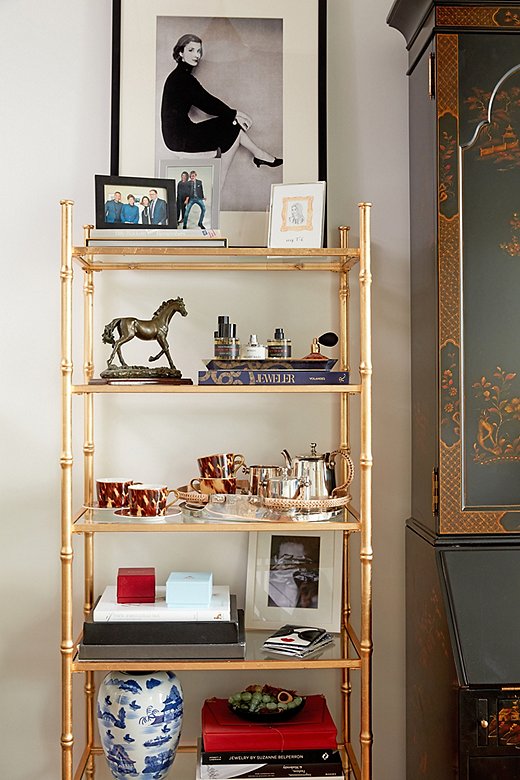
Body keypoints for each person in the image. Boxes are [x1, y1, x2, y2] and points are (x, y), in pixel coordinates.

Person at [161, 33, 282, 185]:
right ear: (181, 52)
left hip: (180, 135)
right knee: (231, 126)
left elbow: (207, 101)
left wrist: (233, 115)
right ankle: (221, 184)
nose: (196, 55)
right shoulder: (182, 79)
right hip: (179, 139)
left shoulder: (180, 76)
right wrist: (235, 114)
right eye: (191, 50)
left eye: (199, 51)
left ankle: (257, 155)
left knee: (231, 126)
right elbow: (207, 103)